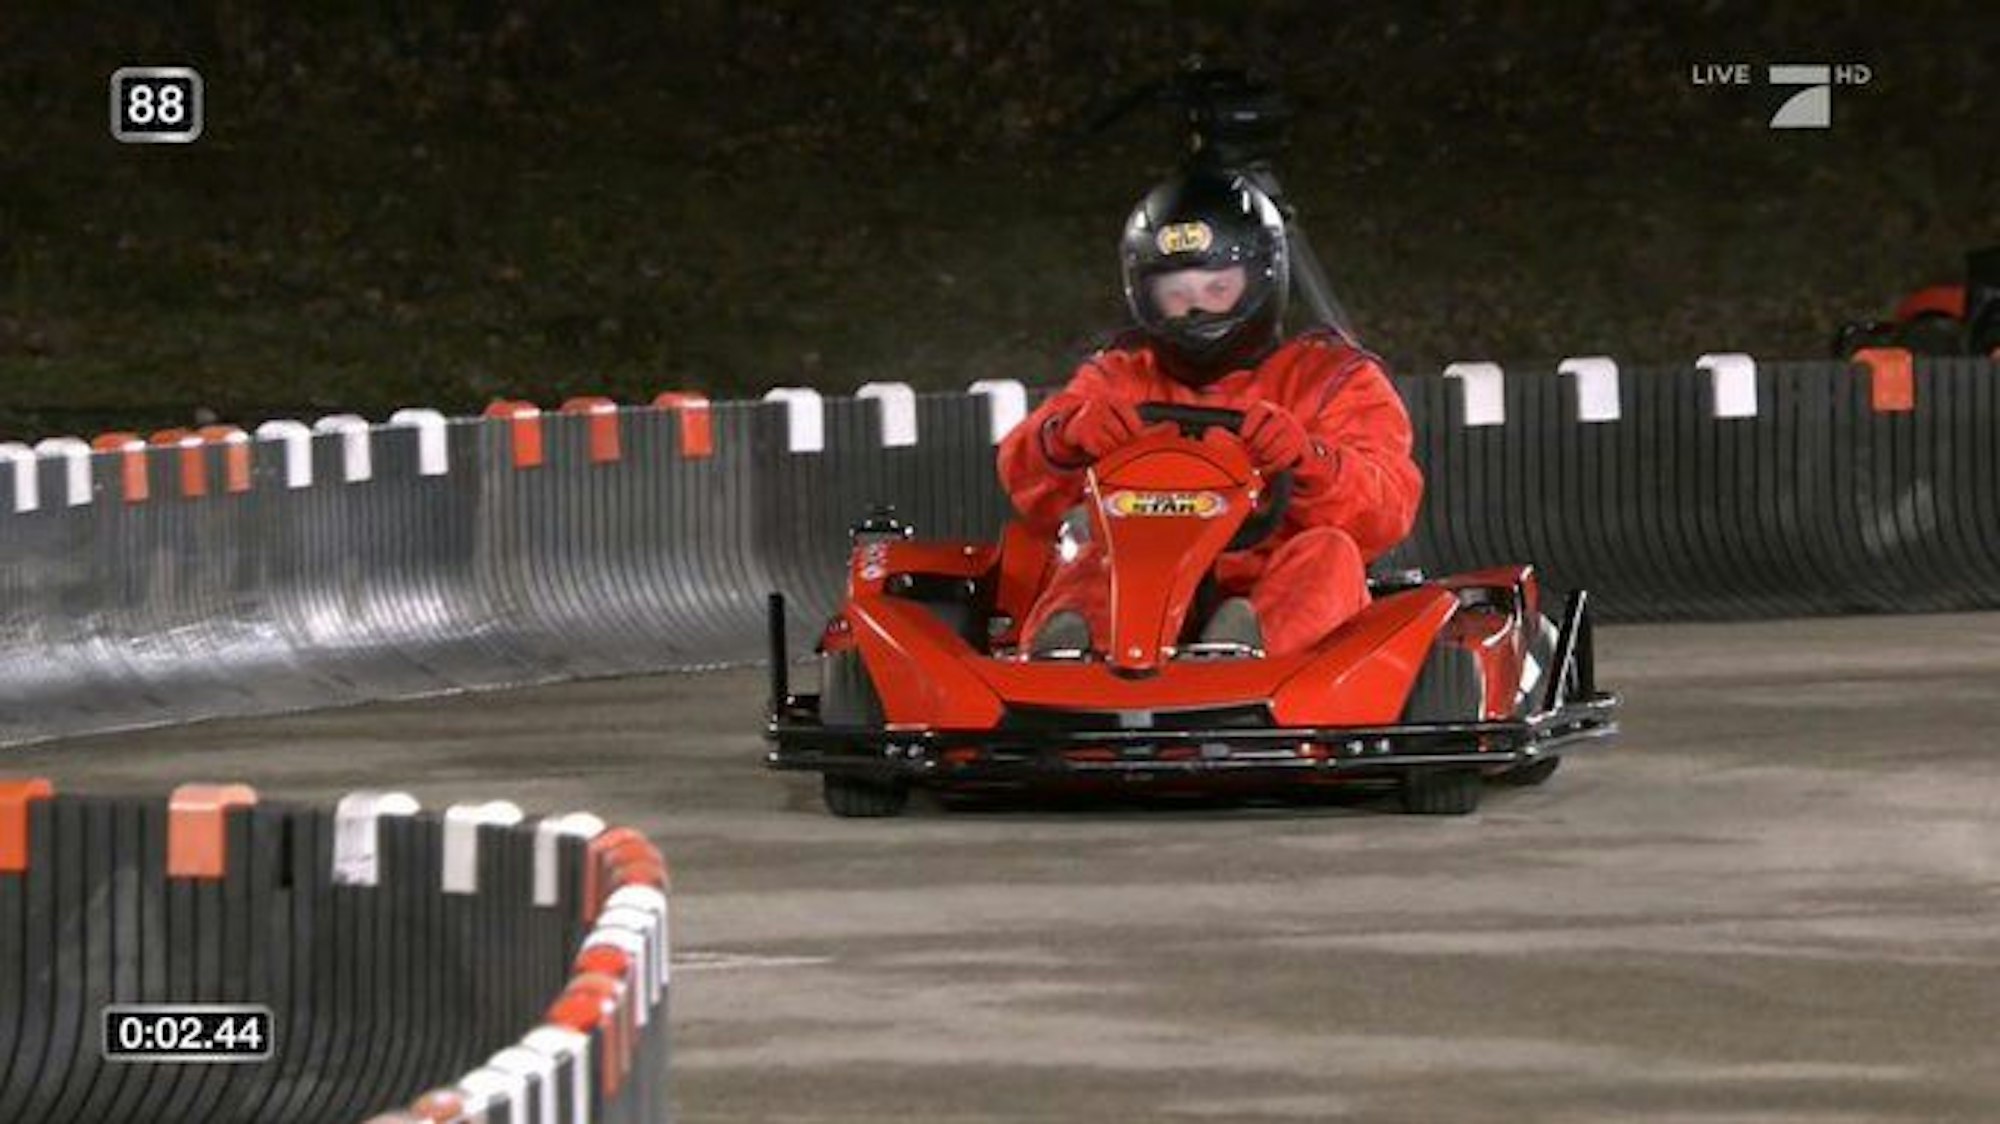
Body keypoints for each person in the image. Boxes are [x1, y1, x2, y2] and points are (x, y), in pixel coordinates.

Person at [997, 169, 1424, 657]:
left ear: (1262, 278)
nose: (1196, 309)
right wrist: (1064, 437)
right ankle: (1071, 658)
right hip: (1149, 587)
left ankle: (1239, 651)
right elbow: (1024, 478)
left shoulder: (1330, 377)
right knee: (1095, 551)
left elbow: (1388, 505)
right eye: (1176, 295)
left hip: (1279, 590)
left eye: (1216, 289)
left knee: (1331, 552)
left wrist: (1310, 461)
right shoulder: (1122, 375)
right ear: (1144, 293)